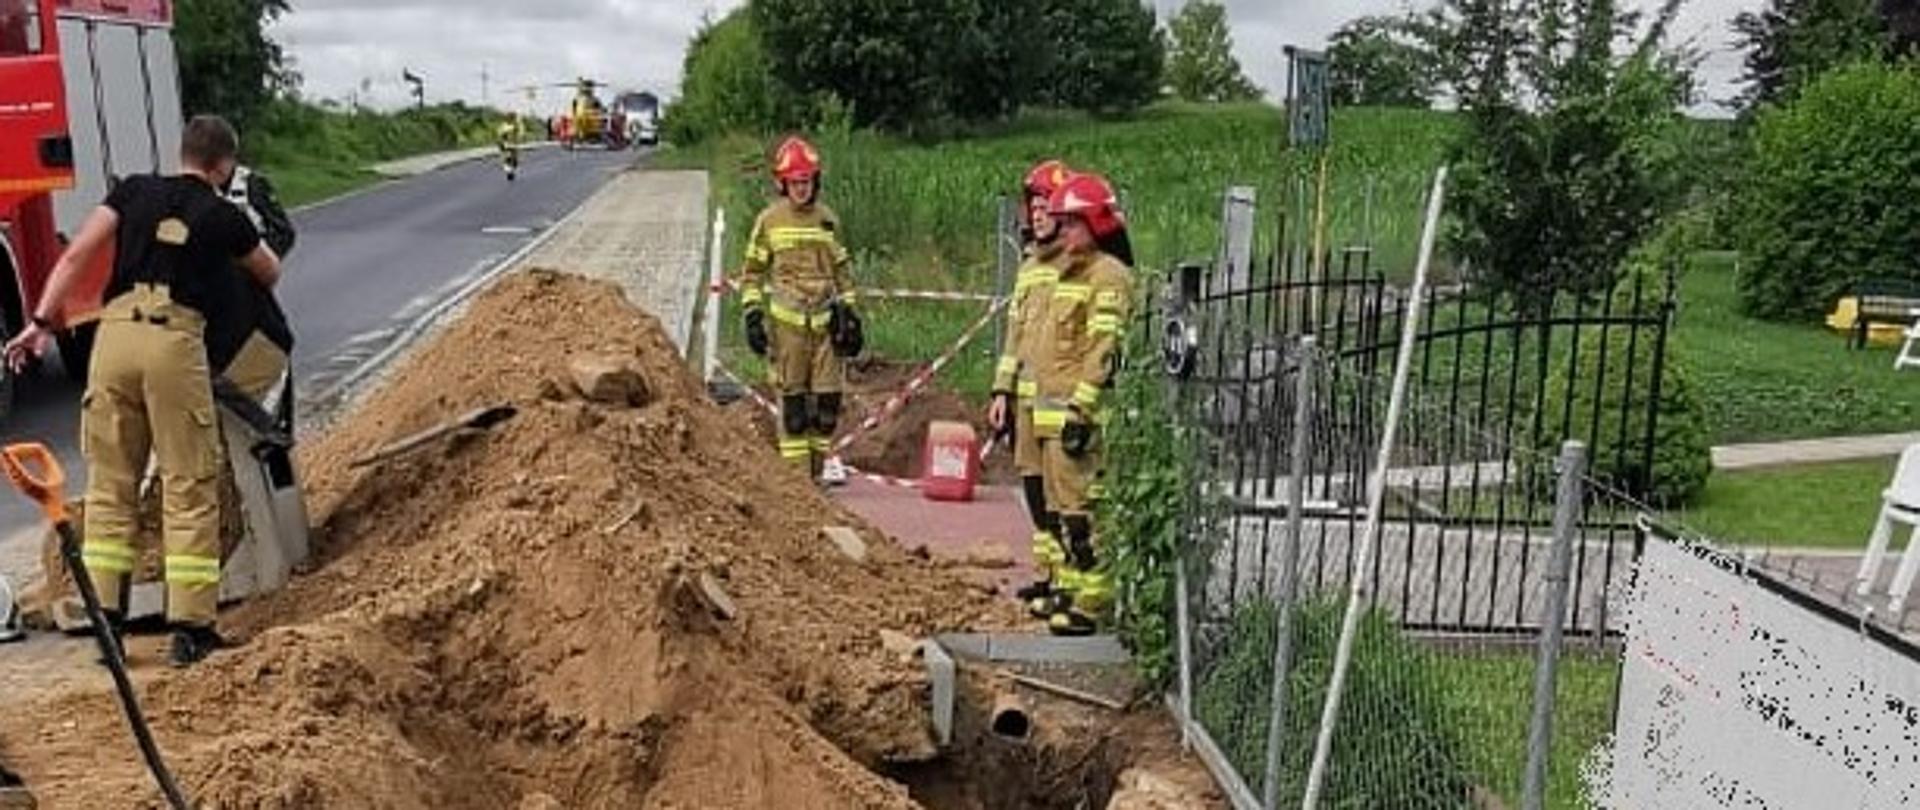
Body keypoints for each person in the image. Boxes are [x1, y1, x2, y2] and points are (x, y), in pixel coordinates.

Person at [4, 115, 281, 667]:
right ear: (224, 165)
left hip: (113, 340)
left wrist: (39, 323)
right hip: (172, 342)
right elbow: (268, 273)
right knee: (188, 484)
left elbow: (76, 255)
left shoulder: (132, 191)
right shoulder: (223, 215)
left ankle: (107, 624)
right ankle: (191, 630)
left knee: (111, 488)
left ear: (183, 153)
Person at [1029, 173, 1132, 636]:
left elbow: (1103, 350)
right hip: (1052, 418)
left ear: (1096, 224)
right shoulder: (1069, 272)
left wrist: (1082, 411)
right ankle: (1071, 592)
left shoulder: (1108, 277)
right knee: (1062, 512)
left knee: (1083, 514)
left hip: (1077, 418)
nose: (1063, 231)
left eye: (1072, 223)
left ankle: (1092, 603)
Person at [740, 136, 861, 483]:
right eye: (794, 182)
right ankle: (798, 487)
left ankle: (816, 480)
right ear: (782, 184)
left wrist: (851, 315)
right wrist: (753, 315)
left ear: (815, 181)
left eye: (806, 181)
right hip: (787, 332)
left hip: (825, 331)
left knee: (827, 409)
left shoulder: (828, 221)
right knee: (794, 415)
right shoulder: (769, 221)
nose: (801, 189)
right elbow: (752, 273)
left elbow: (842, 272)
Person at [990, 159, 1073, 617]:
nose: (1038, 216)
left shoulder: (1075, 266)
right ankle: (1045, 575)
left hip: (1058, 401)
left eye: (1047, 209)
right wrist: (1001, 392)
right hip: (1025, 399)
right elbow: (1014, 337)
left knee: (1063, 495)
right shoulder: (1027, 267)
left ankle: (1066, 581)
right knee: (1035, 490)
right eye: (1034, 208)